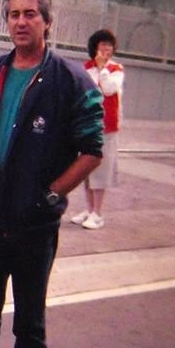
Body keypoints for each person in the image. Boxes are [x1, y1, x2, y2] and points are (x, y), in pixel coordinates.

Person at [0, 0, 105, 348]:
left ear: (47, 22)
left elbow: (92, 149)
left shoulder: (72, 83)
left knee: (29, 328)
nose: (21, 22)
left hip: (34, 227)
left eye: (30, 14)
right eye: (14, 14)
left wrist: (50, 195)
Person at [70, 29, 124, 230]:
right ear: (95, 48)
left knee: (101, 169)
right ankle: (89, 209)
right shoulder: (86, 68)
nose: (106, 49)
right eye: (102, 45)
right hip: (87, 125)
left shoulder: (116, 69)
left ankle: (98, 213)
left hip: (107, 127)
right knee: (86, 168)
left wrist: (102, 70)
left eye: (109, 46)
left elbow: (109, 89)